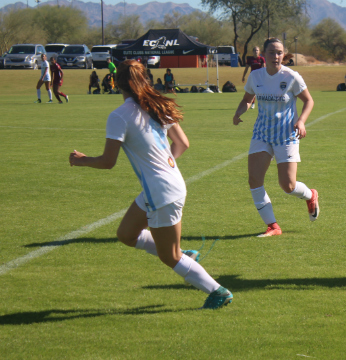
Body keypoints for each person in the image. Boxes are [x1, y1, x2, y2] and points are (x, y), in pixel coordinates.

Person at [69, 60, 233, 309]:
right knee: (126, 234)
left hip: (161, 191)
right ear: (144, 79)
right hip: (167, 184)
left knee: (170, 257)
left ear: (117, 83)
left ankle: (218, 291)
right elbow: (183, 144)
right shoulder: (157, 105)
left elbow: (107, 162)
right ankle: (185, 255)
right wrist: (165, 167)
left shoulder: (119, 116)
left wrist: (81, 161)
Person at [232, 37, 319, 237]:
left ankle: (310, 194)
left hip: (286, 135)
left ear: (284, 54)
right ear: (264, 55)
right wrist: (238, 113)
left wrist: (302, 121)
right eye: (272, 52)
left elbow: (308, 101)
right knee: (254, 179)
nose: (276, 56)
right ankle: (273, 226)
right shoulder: (255, 76)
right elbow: (247, 99)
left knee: (287, 185)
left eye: (279, 52)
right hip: (262, 134)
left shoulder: (292, 77)